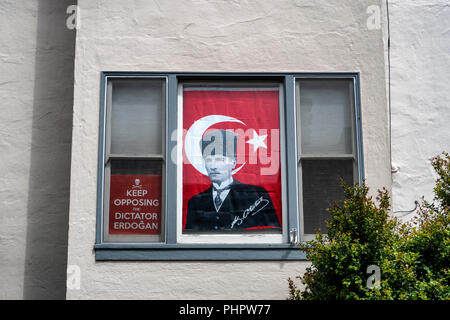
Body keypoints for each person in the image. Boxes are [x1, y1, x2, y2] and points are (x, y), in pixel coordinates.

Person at [184, 129, 280, 231]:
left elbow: (271, 233)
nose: (213, 166)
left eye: (220, 159)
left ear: (234, 162)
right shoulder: (196, 202)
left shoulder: (257, 196)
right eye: (208, 160)